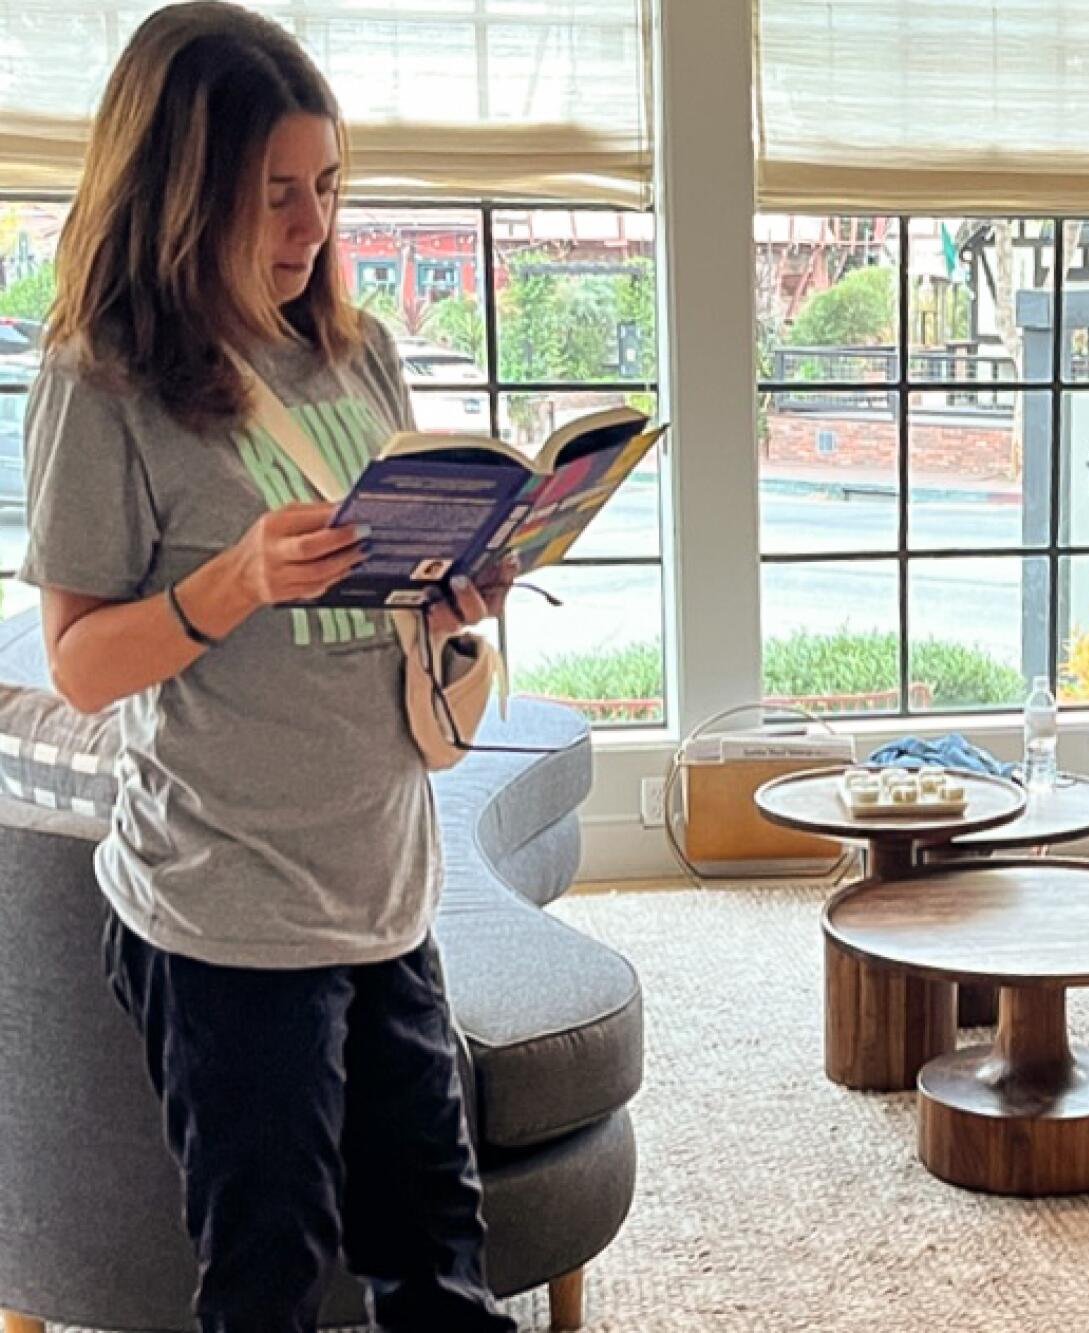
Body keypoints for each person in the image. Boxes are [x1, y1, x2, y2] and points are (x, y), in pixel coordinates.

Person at [21, 5, 518, 1329]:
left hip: (386, 887)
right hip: (226, 913)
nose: (310, 227)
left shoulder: (359, 354)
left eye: (327, 187)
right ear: (181, 196)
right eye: (274, 196)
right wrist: (230, 581)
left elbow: (392, 599)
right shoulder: (102, 379)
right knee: (270, 1278)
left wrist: (464, 581)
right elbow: (78, 665)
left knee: (439, 1260)